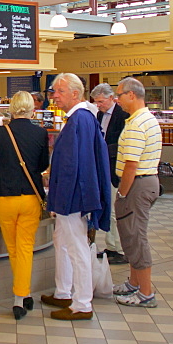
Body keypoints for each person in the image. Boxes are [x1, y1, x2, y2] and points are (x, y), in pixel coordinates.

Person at [41, 73, 111, 321]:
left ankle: (82, 303)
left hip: (72, 197)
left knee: (77, 247)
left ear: (75, 93)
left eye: (59, 91)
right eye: (53, 91)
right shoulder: (83, 118)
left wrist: (60, 200)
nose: (54, 96)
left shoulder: (79, 119)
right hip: (71, 195)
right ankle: (63, 292)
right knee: (62, 241)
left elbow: (73, 166)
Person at [0, 91, 49, 320]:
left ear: (12, 108)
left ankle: (21, 297)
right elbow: (43, 165)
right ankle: (21, 296)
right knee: (25, 247)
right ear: (32, 109)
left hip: (5, 198)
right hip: (30, 198)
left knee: (13, 248)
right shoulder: (40, 133)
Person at [112, 76, 162, 308]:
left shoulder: (137, 124)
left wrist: (122, 194)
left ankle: (145, 292)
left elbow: (131, 165)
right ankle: (134, 282)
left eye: (120, 95)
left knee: (136, 236)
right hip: (146, 182)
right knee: (131, 236)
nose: (117, 99)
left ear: (132, 95)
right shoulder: (146, 119)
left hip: (137, 184)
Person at [91, 83, 127, 264]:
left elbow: (123, 144)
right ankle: (110, 246)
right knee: (107, 208)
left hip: (115, 169)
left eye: (101, 101)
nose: (99, 105)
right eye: (96, 102)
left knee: (115, 210)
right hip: (103, 168)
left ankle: (119, 249)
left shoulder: (122, 116)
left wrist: (105, 149)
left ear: (112, 98)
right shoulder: (99, 115)